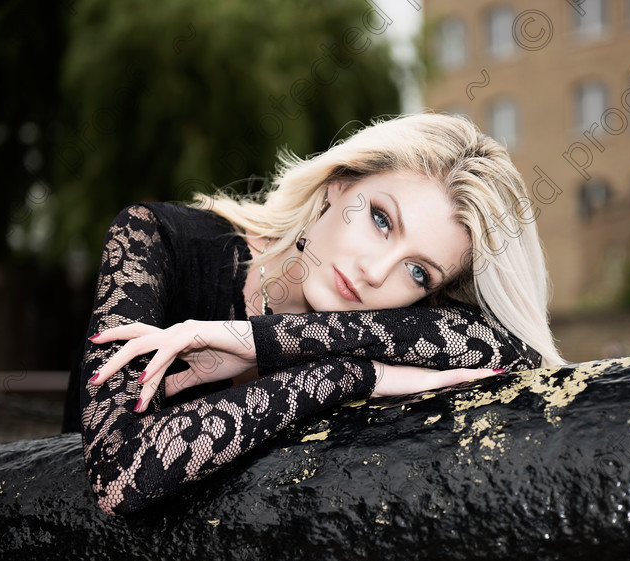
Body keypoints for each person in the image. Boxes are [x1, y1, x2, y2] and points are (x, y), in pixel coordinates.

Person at [80, 113, 566, 516]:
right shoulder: (157, 241)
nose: (376, 273)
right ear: (339, 185)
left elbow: (519, 352)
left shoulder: (393, 332)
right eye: (381, 220)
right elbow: (119, 473)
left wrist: (338, 370)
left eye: (418, 272)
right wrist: (362, 370)